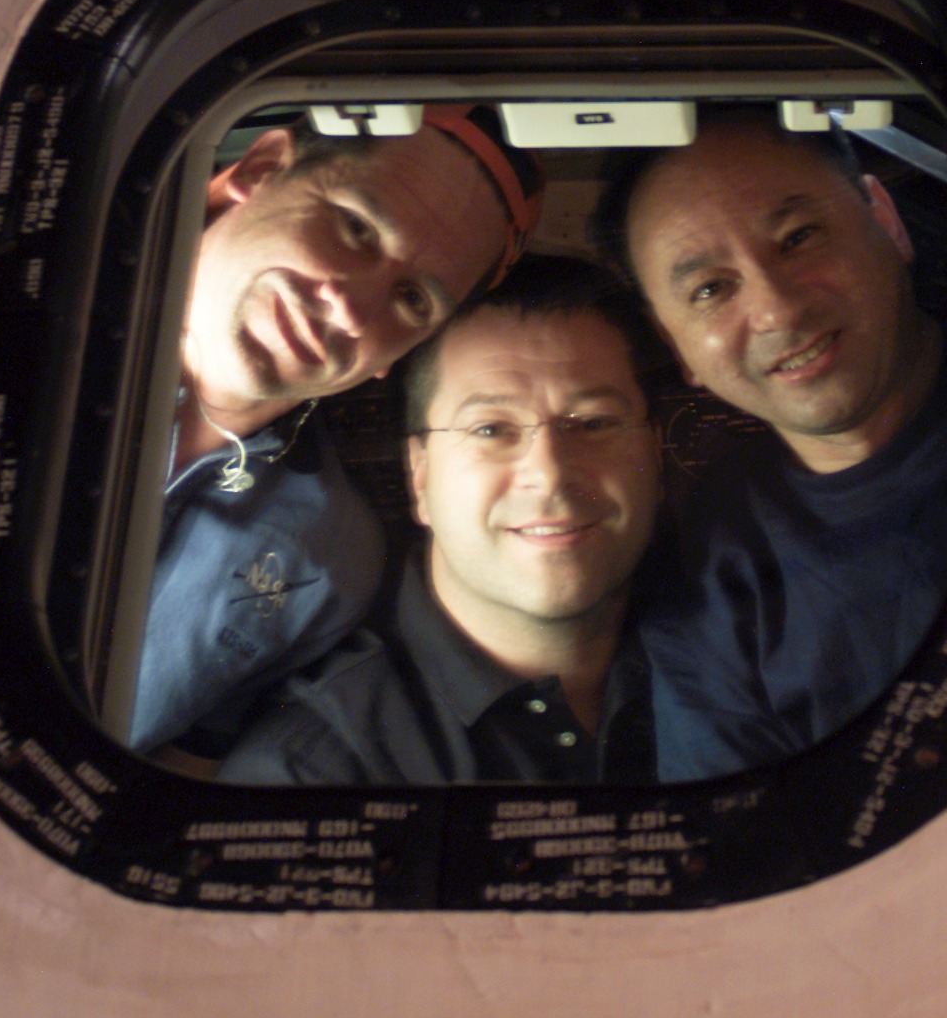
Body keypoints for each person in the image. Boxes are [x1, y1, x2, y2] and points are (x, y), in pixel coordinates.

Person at [128, 106, 542, 755]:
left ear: (394, 360)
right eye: (354, 228)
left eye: (412, 301)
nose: (350, 309)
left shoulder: (331, 562)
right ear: (259, 172)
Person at [221, 255, 665, 787]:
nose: (550, 474)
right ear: (419, 475)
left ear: (656, 455)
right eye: (490, 429)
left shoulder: (751, 653)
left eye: (593, 423)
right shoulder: (313, 774)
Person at [603, 108, 947, 779]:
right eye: (711, 289)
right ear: (674, 343)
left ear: (886, 220)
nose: (776, 309)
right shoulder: (711, 574)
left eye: (798, 238)